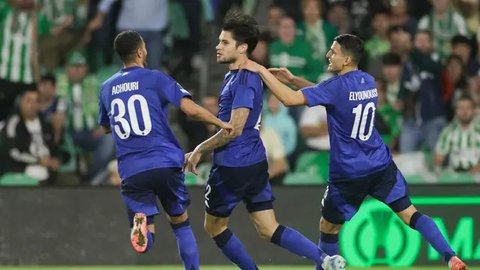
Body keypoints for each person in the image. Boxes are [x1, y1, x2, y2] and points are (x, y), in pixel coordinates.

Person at [241, 34, 469, 270]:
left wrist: (261, 72)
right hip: (380, 165)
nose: (329, 55)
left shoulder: (335, 86)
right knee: (411, 214)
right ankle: (450, 257)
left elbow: (291, 100)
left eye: (334, 51)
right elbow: (328, 94)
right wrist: (293, 79)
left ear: (347, 59)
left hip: (349, 173)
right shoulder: (368, 81)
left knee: (328, 228)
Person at [184, 11, 345, 270]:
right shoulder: (235, 75)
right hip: (255, 163)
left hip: (231, 166)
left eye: (224, 42)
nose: (218, 46)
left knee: (213, 226)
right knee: (269, 228)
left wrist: (199, 149)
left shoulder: (245, 80)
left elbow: (234, 129)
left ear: (243, 47)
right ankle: (325, 259)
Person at [97, 30, 232, 269]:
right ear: (139, 51)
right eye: (145, 47)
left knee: (146, 236)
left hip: (131, 169)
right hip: (164, 161)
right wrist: (219, 122)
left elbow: (107, 127)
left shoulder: (106, 88)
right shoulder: (155, 78)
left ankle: (142, 225)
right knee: (181, 223)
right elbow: (189, 109)